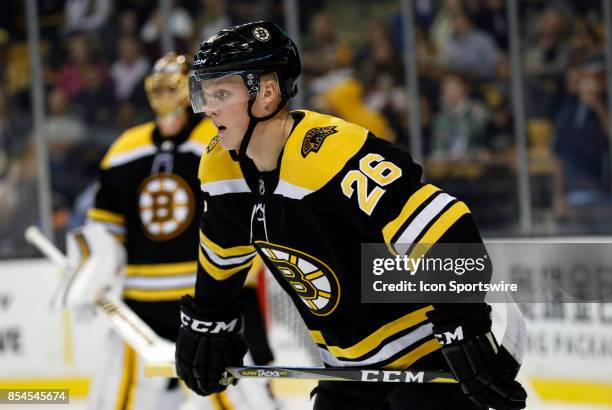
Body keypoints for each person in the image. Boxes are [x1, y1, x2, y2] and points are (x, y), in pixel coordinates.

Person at [176, 21, 528, 410]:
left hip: (425, 358)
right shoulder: (219, 167)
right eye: (205, 94)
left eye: (221, 93)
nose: (208, 108)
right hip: (346, 374)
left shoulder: (330, 154)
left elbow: (445, 225)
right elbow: (222, 252)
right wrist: (209, 322)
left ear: (267, 93)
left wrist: (464, 329)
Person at [80, 52, 276, 410]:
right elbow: (103, 229)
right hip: (143, 299)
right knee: (129, 397)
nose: (166, 94)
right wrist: (90, 271)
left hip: (204, 296)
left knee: (225, 393)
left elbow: (242, 209)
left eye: (174, 85)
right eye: (160, 86)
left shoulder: (215, 139)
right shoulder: (128, 148)